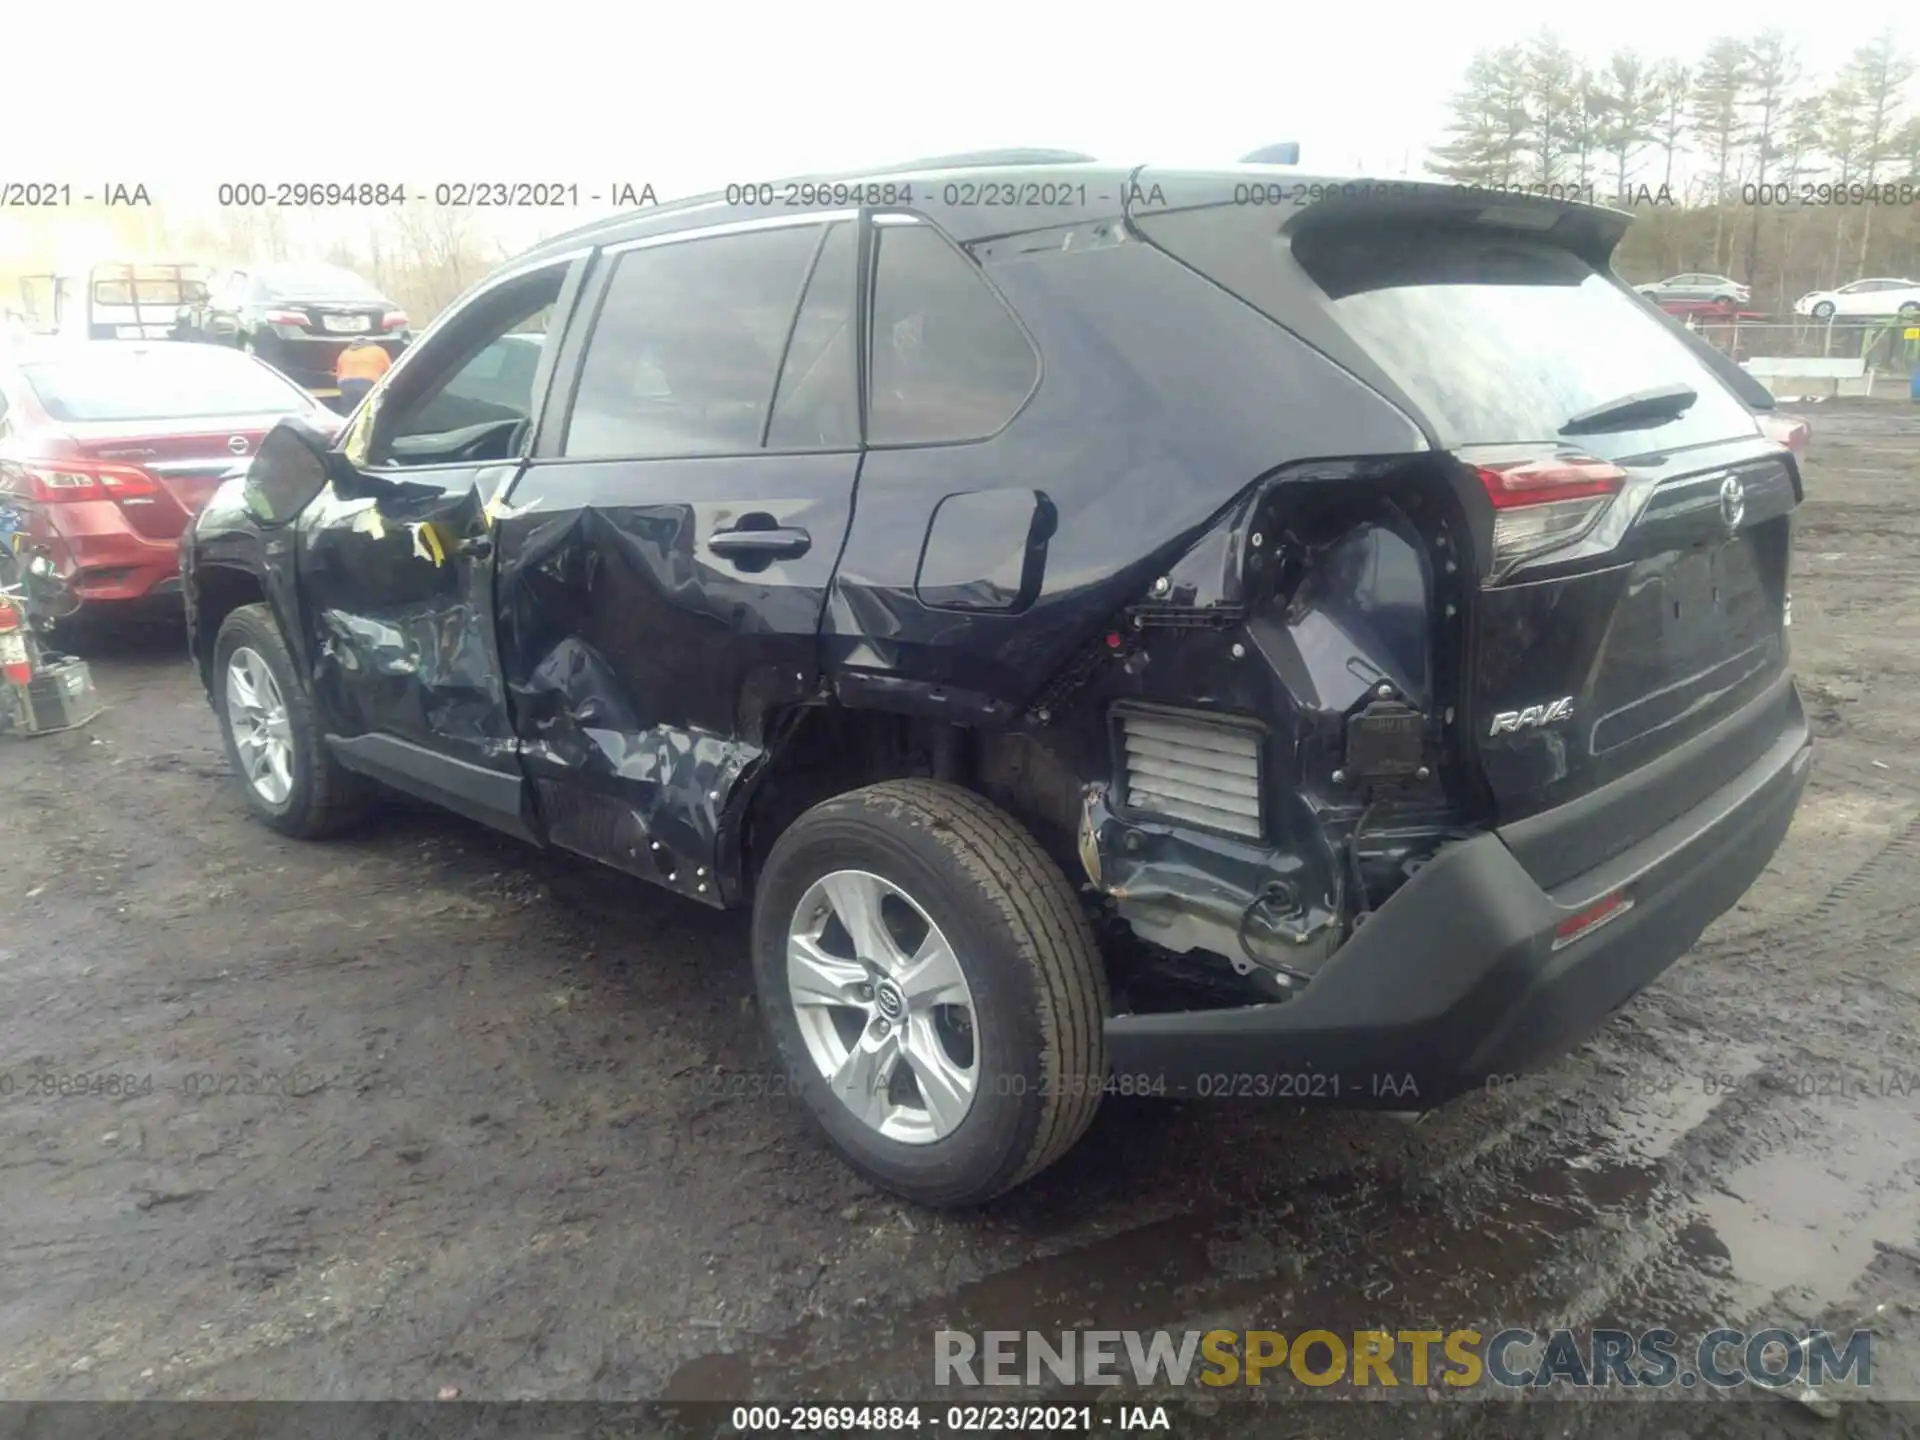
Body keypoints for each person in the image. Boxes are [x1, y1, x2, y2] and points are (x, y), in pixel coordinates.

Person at [335, 336, 392, 412]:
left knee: (349, 410)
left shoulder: (345, 353)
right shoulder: (379, 351)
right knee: (368, 409)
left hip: (345, 383)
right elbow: (389, 372)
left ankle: (348, 418)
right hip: (368, 383)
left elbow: (338, 374)